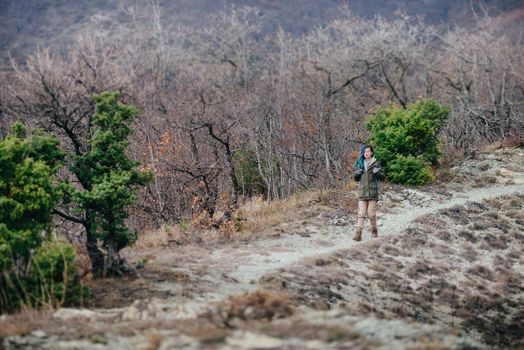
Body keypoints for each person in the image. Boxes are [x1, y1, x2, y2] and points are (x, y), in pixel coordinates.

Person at [353, 145, 385, 241]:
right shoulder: (360, 164)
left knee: (371, 214)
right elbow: (355, 178)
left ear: (371, 152)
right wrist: (357, 173)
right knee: (361, 214)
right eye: (364, 152)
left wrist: (377, 173)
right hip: (362, 192)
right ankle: (358, 234)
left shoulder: (376, 164)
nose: (366, 153)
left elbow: (383, 177)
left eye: (368, 151)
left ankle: (374, 231)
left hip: (372, 193)